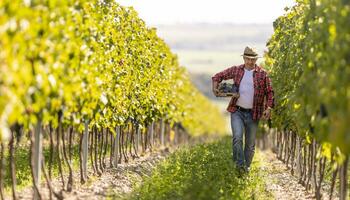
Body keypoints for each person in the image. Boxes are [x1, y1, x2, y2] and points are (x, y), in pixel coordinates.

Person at [212, 46, 274, 173]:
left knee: (250, 145)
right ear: (244, 58)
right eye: (248, 59)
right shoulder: (236, 70)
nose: (250, 62)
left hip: (253, 113)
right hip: (237, 111)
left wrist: (268, 108)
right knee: (237, 138)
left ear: (256, 59)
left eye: (253, 59)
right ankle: (239, 167)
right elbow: (217, 76)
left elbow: (270, 92)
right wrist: (215, 88)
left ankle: (246, 168)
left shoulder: (263, 74)